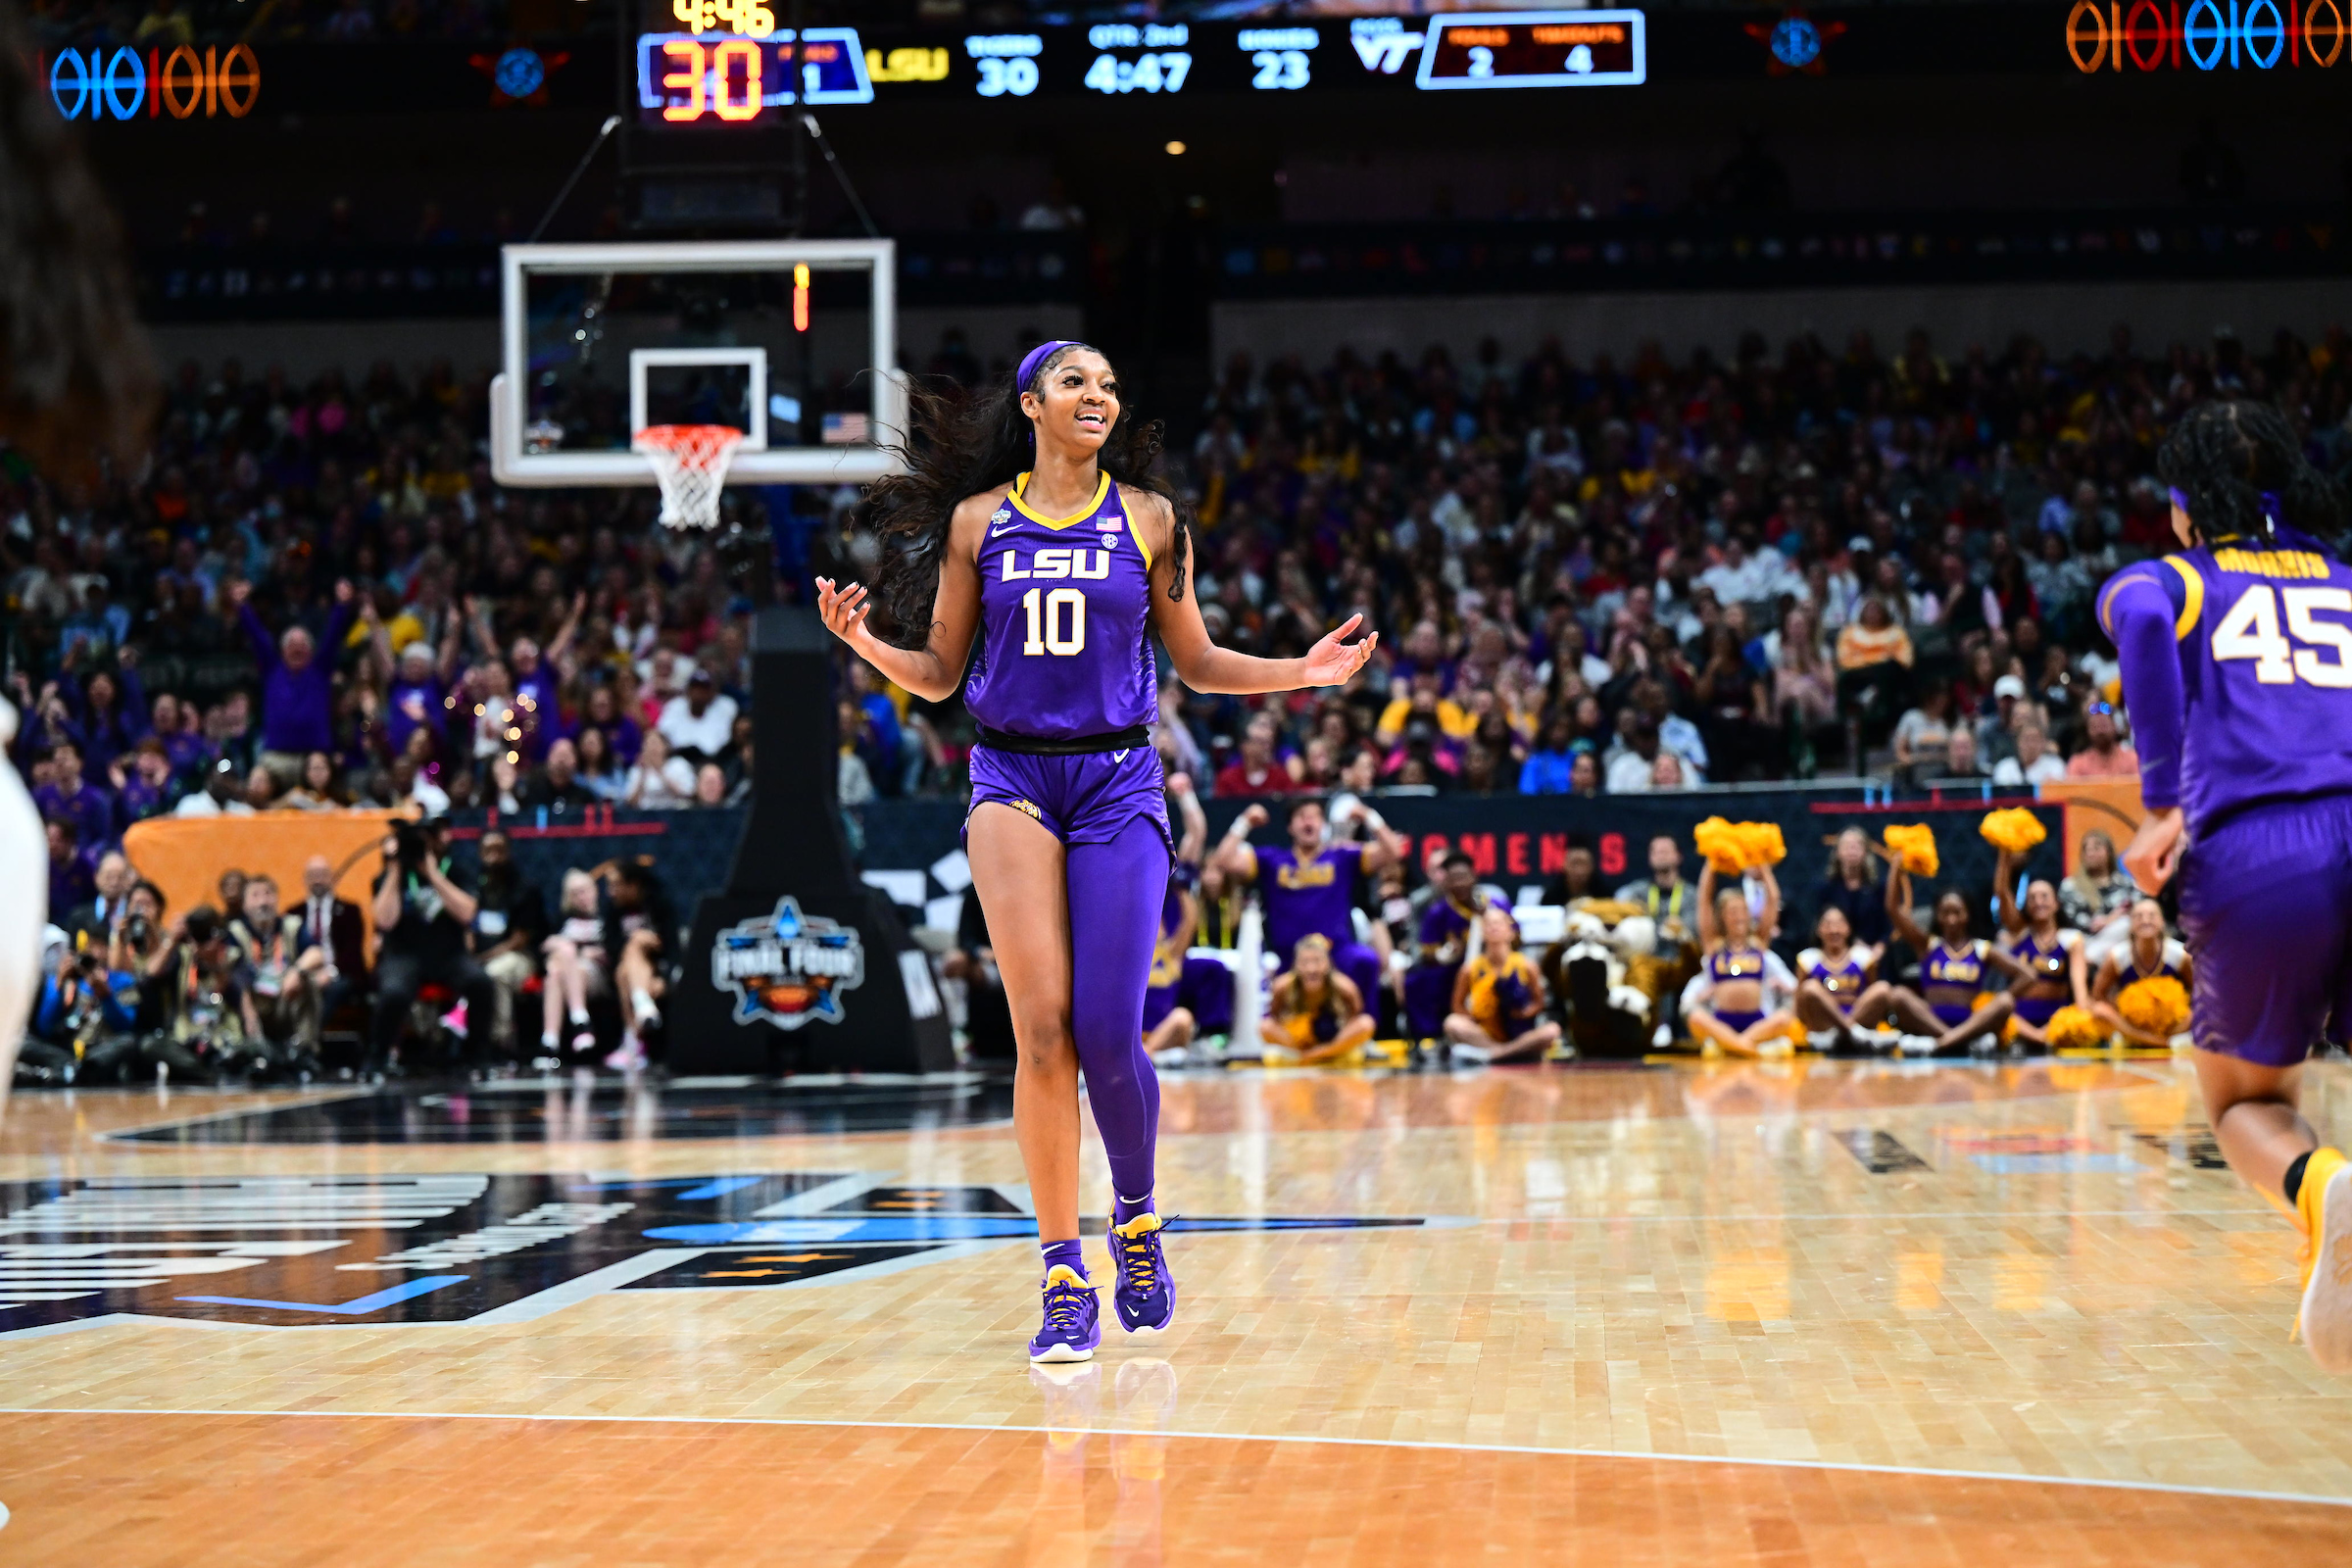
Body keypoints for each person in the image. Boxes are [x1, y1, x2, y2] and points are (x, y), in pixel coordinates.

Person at [817, 338, 1377, 1362]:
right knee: (1040, 1031)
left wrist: (1305, 671)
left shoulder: (1153, 519)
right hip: (1013, 776)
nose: (1099, 397)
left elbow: (1197, 662)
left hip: (1119, 776)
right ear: (1032, 402)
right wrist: (861, 643)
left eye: (1112, 385)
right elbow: (942, 674)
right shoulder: (978, 523)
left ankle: (1138, 1219)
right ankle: (1062, 1273)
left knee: (1110, 1030)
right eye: (1077, 381)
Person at [2104, 398, 2352, 1368]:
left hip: (2260, 850)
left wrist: (2162, 798)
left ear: (2181, 506)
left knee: (2246, 1109)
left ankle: (2324, 1186)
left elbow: (2139, 617)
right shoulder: (2343, 576)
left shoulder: (2177, 576)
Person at [1217, 795, 1403, 1010]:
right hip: (1290, 955)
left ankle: (1365, 1031)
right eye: (1301, 817)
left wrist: (1369, 816)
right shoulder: (1272, 859)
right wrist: (1244, 822)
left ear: (1323, 824)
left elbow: (1393, 851)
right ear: (1290, 827)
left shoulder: (1342, 857)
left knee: (1366, 960)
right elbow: (1224, 860)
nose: (1308, 822)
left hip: (1336, 951)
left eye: (1314, 817)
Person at [368, 816, 501, 1076]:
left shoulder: (457, 870)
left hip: (449, 954)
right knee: (393, 993)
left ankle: (478, 1053)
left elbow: (467, 914)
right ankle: (378, 1056)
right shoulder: (388, 877)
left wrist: (432, 874)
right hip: (403, 954)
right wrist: (396, 868)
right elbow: (384, 920)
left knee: (480, 983)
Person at [1881, 859, 2040, 1054]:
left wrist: (1994, 1003)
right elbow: (1892, 909)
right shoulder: (1928, 945)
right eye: (1945, 913)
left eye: (1957, 912)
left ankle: (1941, 1044)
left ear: (1968, 915)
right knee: (1898, 995)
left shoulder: (1981, 948)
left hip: (1971, 1019)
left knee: (2005, 1002)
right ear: (1937, 915)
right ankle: (1957, 1041)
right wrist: (1896, 869)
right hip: (1930, 1019)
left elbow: (2028, 975)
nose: (1951, 919)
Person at [1683, 860, 1798, 1056]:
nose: (1739, 917)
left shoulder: (1758, 943)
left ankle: (1731, 1046)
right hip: (1721, 1019)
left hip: (1756, 1020)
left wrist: (1762, 864)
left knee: (1784, 1019)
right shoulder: (1714, 946)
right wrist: (1712, 863)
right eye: (1732, 911)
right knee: (1696, 1018)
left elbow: (1773, 898)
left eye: (1743, 910)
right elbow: (1703, 899)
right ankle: (1755, 1050)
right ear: (1722, 917)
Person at [1992, 846, 2087, 1050]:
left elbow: (2079, 985)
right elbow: (2001, 891)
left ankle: (2039, 1039)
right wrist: (2005, 853)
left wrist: (2081, 1014)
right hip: (2019, 1019)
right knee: (1995, 1013)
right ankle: (2037, 1039)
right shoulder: (2020, 934)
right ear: (2026, 905)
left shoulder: (2071, 939)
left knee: (2081, 1015)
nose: (2038, 902)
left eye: (2044, 896)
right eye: (2032, 898)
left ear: (2056, 904)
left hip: (2056, 1019)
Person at [1402, 851, 1503, 1041]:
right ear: (1446, 882)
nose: (1459, 884)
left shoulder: (1495, 904)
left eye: (1463, 877)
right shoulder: (1438, 911)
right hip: (1455, 968)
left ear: (1474, 876)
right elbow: (1426, 952)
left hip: (1494, 965)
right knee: (1418, 980)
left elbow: (1516, 938)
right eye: (1453, 879)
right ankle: (1429, 1038)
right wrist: (1446, 954)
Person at [231, 875, 325, 1076]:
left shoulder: (291, 925)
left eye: (268, 894)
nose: (263, 901)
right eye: (255, 896)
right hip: (253, 1002)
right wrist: (249, 1015)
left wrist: (297, 971)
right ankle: (254, 1054)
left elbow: (316, 953)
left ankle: (304, 1051)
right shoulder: (235, 931)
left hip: (284, 997)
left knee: (308, 979)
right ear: (245, 904)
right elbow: (235, 978)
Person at [1445, 906, 1561, 1064]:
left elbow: (1539, 1002)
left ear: (1511, 932)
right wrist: (1474, 1017)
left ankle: (1493, 1055)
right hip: (1485, 1031)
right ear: (1482, 932)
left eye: (1498, 924)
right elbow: (1457, 1005)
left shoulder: (1526, 965)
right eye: (1488, 924)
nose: (1493, 928)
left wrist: (1525, 1012)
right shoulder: (1470, 969)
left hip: (1519, 1031)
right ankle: (1505, 1052)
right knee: (1452, 1023)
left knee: (1552, 1030)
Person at [471, 829, 546, 1058]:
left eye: (498, 851)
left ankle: (500, 1042)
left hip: (520, 956)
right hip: (478, 956)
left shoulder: (525, 887)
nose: (493, 857)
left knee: (494, 973)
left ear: (508, 852)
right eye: (487, 851)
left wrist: (482, 959)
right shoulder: (473, 886)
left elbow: (520, 939)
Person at [594, 859, 673, 1072]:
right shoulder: (612, 910)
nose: (611, 892)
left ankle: (632, 1043)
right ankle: (643, 1006)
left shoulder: (660, 904)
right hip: (624, 970)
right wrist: (637, 939)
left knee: (628, 964)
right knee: (626, 964)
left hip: (656, 969)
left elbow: (673, 947)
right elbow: (612, 948)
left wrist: (664, 979)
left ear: (634, 885)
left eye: (616, 885)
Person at [2086, 899, 2193, 1047]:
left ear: (2162, 921)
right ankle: (2156, 1042)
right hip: (2132, 1025)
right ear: (2130, 924)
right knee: (2099, 1010)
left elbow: (2199, 993)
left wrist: (2175, 1013)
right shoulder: (2117, 956)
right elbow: (2098, 995)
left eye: (2152, 915)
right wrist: (2123, 1010)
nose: (2145, 920)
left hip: (2172, 1026)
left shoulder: (2180, 955)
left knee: (2202, 1011)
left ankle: (2165, 1039)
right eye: (2138, 916)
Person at [1793, 904, 1890, 1054]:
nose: (1834, 930)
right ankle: (1853, 1032)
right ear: (1818, 930)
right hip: (1823, 1029)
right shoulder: (1808, 959)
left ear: (1848, 928)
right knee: (1810, 987)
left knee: (1883, 988)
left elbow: (1871, 993)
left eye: (1839, 924)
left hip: (1859, 1017)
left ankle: (1849, 1031)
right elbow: (1799, 1003)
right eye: (1827, 924)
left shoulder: (1863, 957)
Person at [538, 868, 609, 1060]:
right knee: (555, 973)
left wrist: (588, 953)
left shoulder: (605, 917)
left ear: (595, 890)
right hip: (564, 974)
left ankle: (551, 1040)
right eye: (575, 893)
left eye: (584, 890)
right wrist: (563, 946)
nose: (581, 897)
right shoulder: (562, 920)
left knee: (565, 960)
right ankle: (559, 1035)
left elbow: (614, 950)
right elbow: (543, 944)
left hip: (596, 976)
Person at [1810, 827, 1890, 948]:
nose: (1852, 850)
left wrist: (1879, 949)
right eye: (1847, 846)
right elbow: (1817, 926)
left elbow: (1888, 926)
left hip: (1874, 952)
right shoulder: (1825, 888)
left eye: (1857, 846)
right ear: (1837, 852)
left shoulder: (1878, 887)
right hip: (1836, 952)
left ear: (1866, 852)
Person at [2065, 700, 2139, 779]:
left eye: (2104, 725)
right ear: (2087, 730)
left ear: (2115, 726)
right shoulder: (2078, 763)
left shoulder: (2132, 759)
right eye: (2095, 727)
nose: (2100, 731)